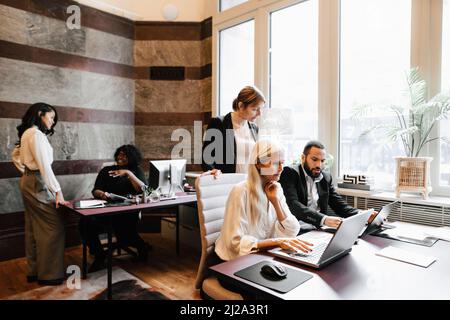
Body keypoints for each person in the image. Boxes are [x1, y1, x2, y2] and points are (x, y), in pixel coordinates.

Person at [215, 140, 313, 262]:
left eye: (282, 163)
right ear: (258, 164)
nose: (281, 168)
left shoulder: (276, 189)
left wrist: (275, 202)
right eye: (276, 163)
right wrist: (277, 242)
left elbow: (292, 231)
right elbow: (234, 243)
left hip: (262, 256)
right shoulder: (241, 191)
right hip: (232, 261)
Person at [11, 102, 69, 286]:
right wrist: (58, 192)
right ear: (40, 114)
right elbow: (45, 167)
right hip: (37, 181)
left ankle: (34, 271)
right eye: (51, 117)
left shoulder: (27, 133)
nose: (52, 122)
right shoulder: (36, 135)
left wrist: (26, 172)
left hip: (29, 181)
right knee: (54, 227)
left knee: (33, 227)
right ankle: (50, 275)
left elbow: (15, 155)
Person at [79, 144, 151, 272]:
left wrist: (128, 173)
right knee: (84, 223)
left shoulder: (136, 171)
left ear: (132, 157)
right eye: (119, 154)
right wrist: (102, 194)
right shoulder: (106, 170)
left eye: (124, 155)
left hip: (127, 213)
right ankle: (99, 254)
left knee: (126, 236)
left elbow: (145, 190)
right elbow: (95, 190)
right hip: (106, 211)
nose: (120, 157)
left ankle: (142, 247)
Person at [279, 140, 376, 230]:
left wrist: (363, 215)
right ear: (303, 158)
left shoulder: (325, 177)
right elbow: (293, 205)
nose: (319, 165)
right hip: (297, 230)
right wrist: (324, 219)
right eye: (314, 159)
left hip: (319, 229)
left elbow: (339, 205)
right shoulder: (289, 173)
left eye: (322, 161)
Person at [202, 86, 265, 176]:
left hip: (249, 183)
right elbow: (207, 158)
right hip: (227, 183)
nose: (259, 114)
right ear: (241, 106)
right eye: (255, 109)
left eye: (260, 109)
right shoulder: (219, 123)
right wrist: (212, 171)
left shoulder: (254, 128)